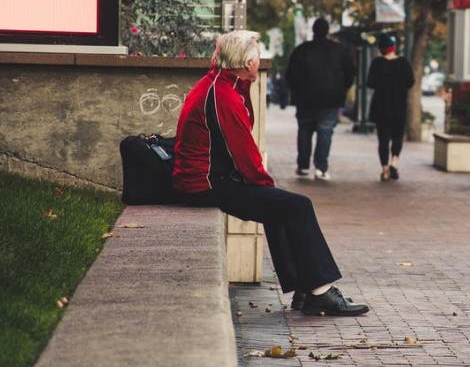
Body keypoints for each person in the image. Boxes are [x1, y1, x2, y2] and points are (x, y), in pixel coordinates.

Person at [172, 30, 368, 316]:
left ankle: (305, 290)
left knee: (280, 206)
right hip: (206, 184)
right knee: (297, 205)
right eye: (256, 56)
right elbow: (242, 150)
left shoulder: (224, 82)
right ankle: (320, 292)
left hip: (209, 178)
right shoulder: (223, 94)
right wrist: (265, 185)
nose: (259, 61)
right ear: (246, 62)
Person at [286, 18, 356, 180]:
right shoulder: (340, 51)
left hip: (305, 98)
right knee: (325, 131)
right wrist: (341, 89)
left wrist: (298, 90)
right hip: (331, 98)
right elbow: (350, 73)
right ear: (327, 31)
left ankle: (303, 166)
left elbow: (290, 75)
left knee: (304, 130)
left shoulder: (301, 50)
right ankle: (321, 168)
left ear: (313, 30)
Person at [367, 34, 415, 181]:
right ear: (394, 48)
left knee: (383, 139)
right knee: (398, 136)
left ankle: (385, 169)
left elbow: (370, 83)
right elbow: (410, 82)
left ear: (381, 49)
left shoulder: (377, 63)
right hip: (398, 106)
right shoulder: (403, 63)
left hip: (381, 107)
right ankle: (394, 161)